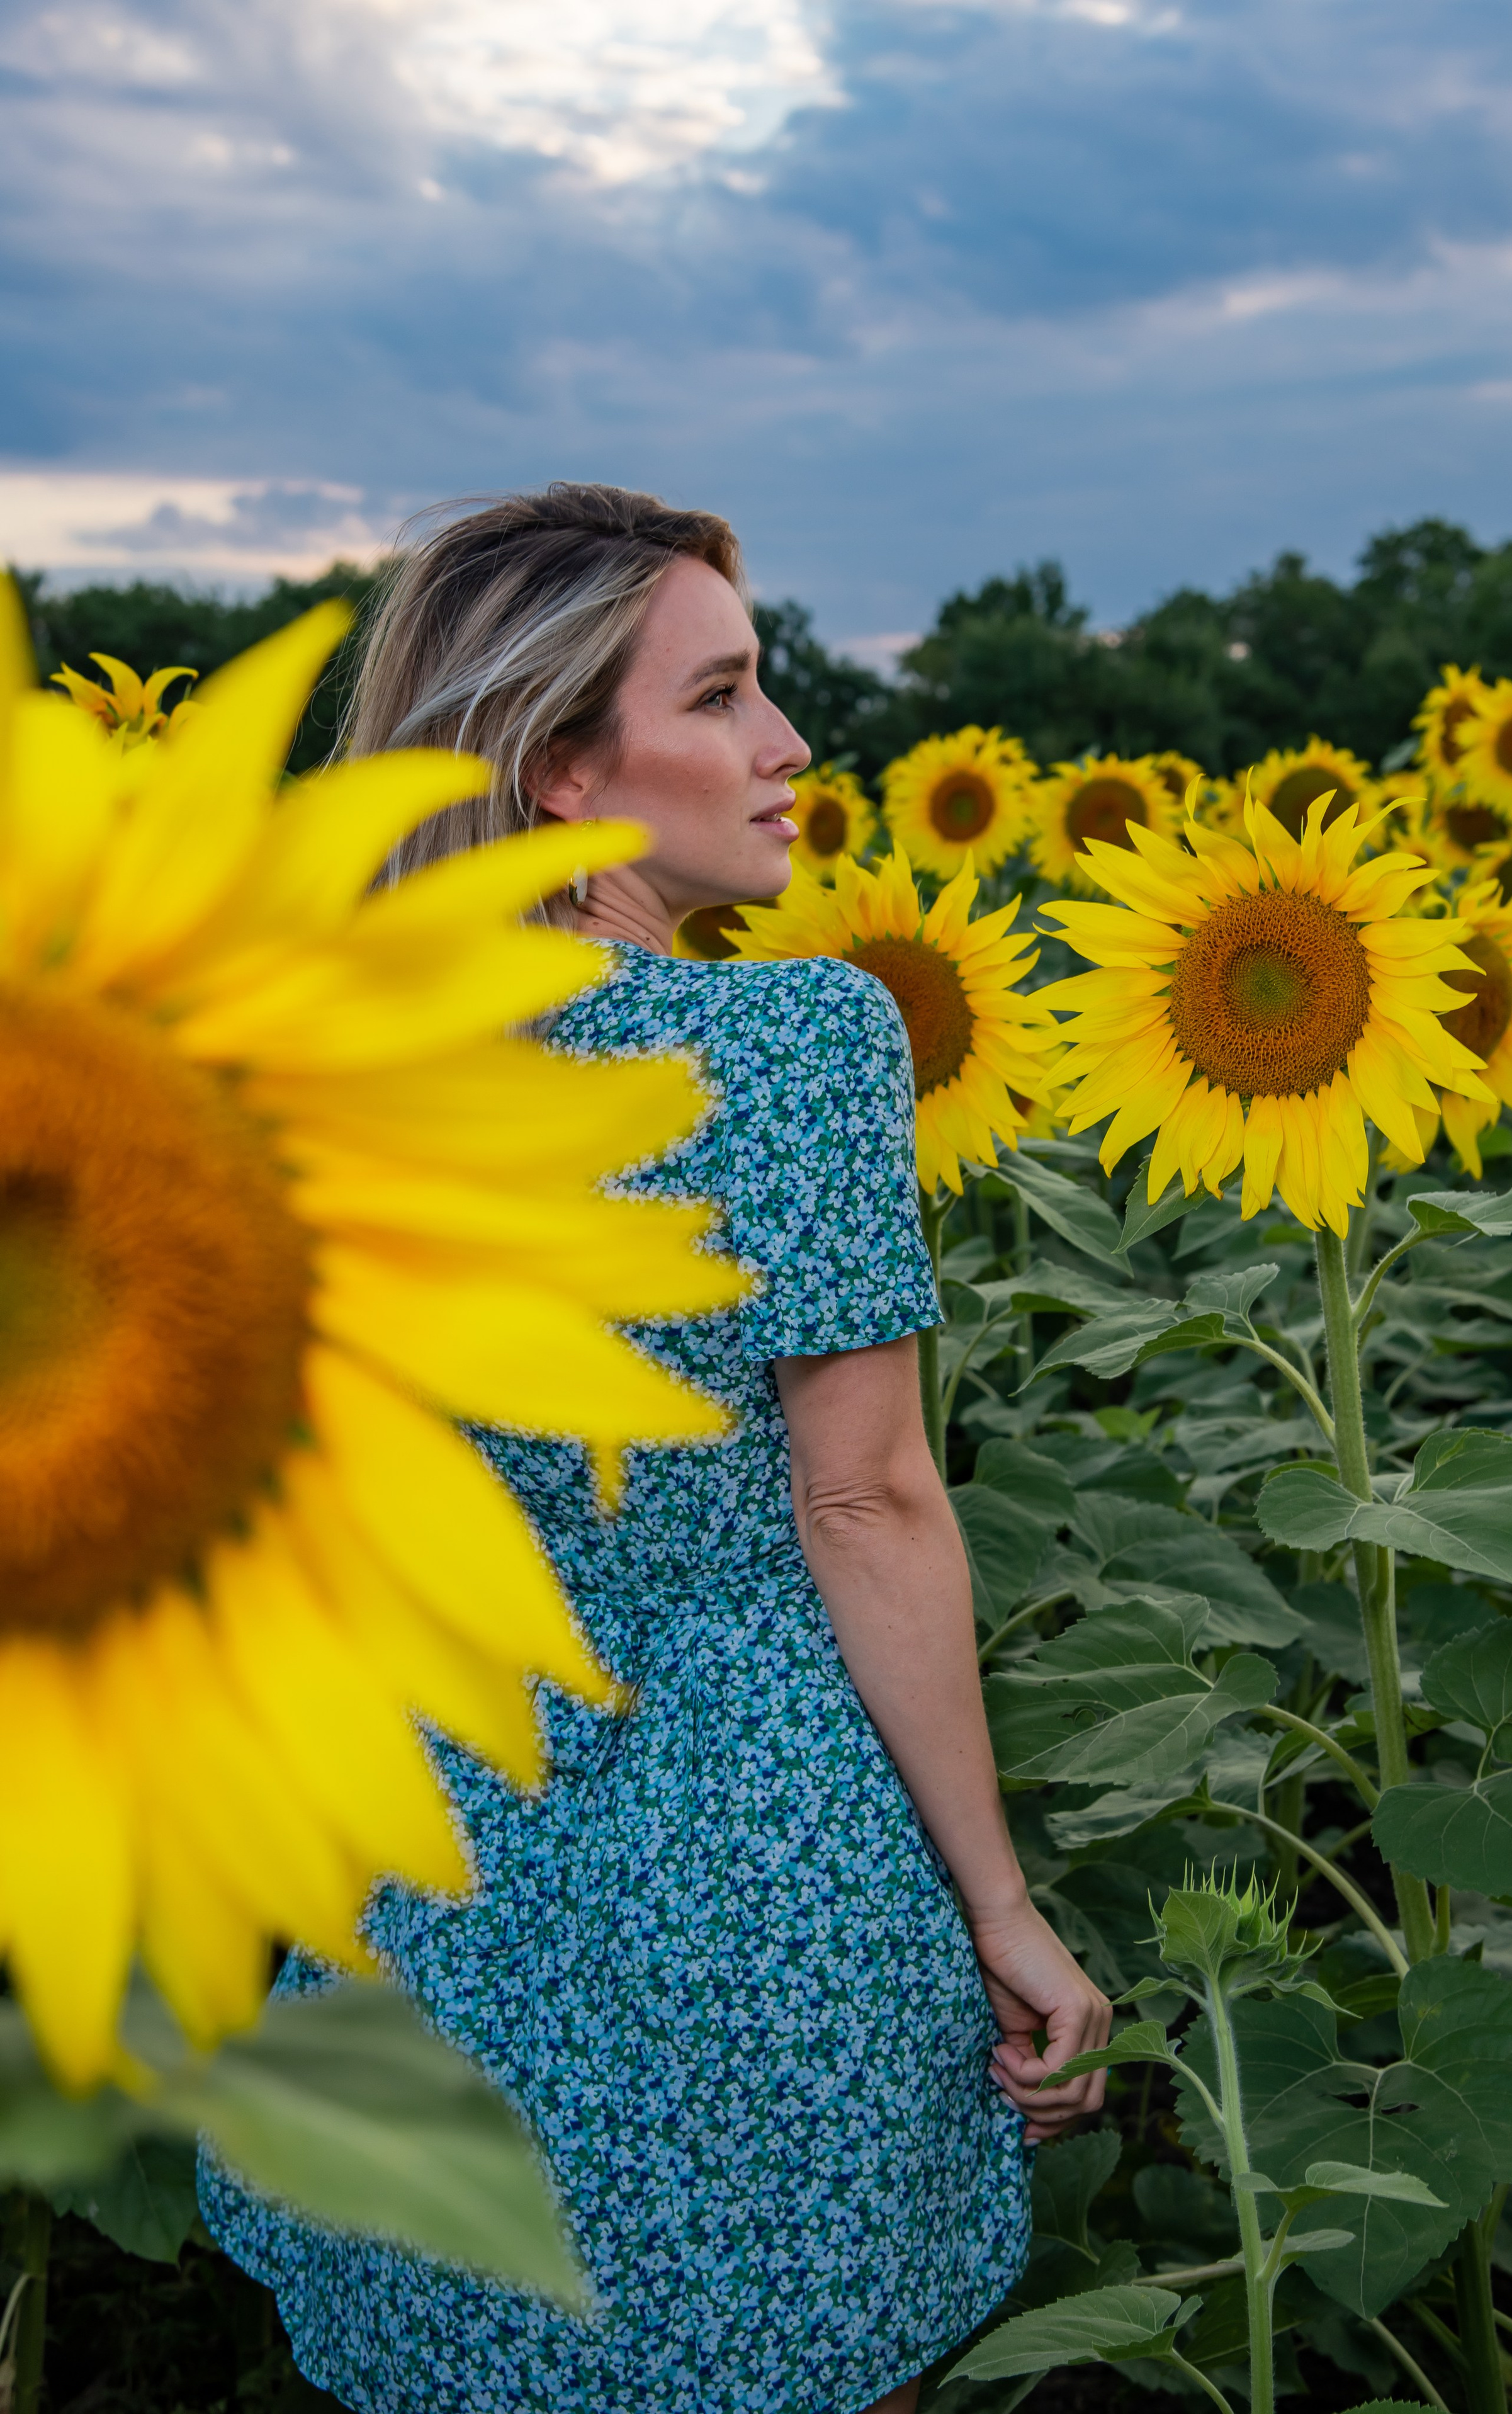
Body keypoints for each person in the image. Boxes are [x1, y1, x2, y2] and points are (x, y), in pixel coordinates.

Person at [201, 484, 1110, 2414]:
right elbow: (866, 1496)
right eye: (722, 695)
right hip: (761, 1889)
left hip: (427, 1903)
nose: (791, 744)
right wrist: (1002, 1910)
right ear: (560, 771)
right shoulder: (796, 1049)